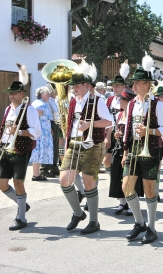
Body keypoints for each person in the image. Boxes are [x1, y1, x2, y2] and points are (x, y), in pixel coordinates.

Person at [122, 67, 163, 244]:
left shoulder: (157, 104)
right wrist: (125, 150)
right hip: (134, 150)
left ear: (147, 84)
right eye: (133, 83)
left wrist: (149, 131)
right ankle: (139, 222)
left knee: (150, 190)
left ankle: (151, 227)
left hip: (151, 150)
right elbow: (128, 128)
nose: (133, 86)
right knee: (126, 187)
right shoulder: (132, 104)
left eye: (136, 83)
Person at [59, 73, 113, 234]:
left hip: (92, 144)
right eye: (73, 86)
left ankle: (94, 221)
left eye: (77, 86)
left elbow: (110, 122)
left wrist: (90, 124)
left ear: (86, 86)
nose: (74, 89)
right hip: (74, 144)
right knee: (64, 180)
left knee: (89, 183)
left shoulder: (98, 100)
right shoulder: (73, 101)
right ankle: (78, 213)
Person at [0, 76, 41, 230]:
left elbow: (36, 132)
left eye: (15, 93)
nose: (12, 96)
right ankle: (22, 204)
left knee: (18, 182)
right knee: (2, 184)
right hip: (6, 148)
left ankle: (21, 217)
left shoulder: (29, 109)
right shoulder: (8, 108)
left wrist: (18, 131)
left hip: (21, 150)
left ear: (22, 94)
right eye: (10, 93)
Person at [110, 89, 135, 215]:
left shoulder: (133, 114)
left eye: (122, 99)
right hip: (119, 147)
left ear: (128, 101)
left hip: (130, 147)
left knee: (128, 176)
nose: (119, 101)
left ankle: (131, 203)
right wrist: (116, 135)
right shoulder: (119, 115)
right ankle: (122, 202)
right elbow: (115, 130)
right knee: (117, 174)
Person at [29, 86, 54, 181]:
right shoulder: (40, 104)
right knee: (38, 152)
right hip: (41, 133)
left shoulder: (38, 103)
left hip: (42, 132)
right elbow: (37, 119)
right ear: (42, 95)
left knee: (38, 152)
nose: (49, 96)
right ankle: (36, 175)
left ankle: (37, 174)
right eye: (47, 94)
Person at [104, 75, 126, 175]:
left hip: (123, 133)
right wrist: (107, 136)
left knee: (122, 160)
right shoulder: (108, 100)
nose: (115, 88)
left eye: (117, 86)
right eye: (113, 86)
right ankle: (112, 179)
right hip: (111, 132)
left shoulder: (127, 99)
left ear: (123, 87)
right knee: (106, 161)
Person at [40, 84, 60, 178]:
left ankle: (54, 168)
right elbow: (47, 116)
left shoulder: (54, 100)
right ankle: (44, 169)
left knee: (55, 147)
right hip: (50, 123)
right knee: (48, 147)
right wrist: (50, 128)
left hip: (55, 123)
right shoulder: (47, 101)